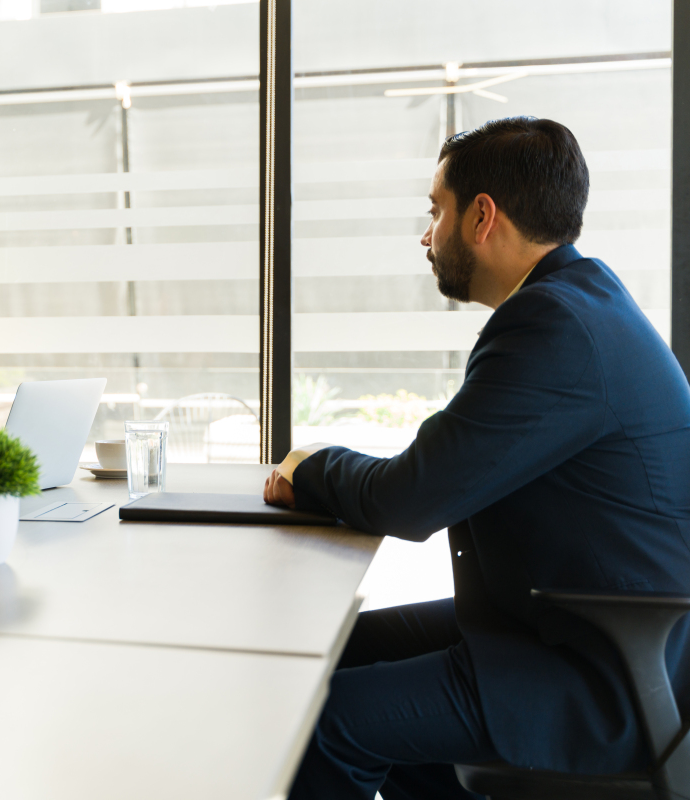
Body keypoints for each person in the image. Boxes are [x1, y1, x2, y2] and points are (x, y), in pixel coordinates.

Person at [264, 117, 690, 799]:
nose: (426, 235)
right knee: (339, 654)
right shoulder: (582, 302)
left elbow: (410, 498)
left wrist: (308, 467)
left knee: (320, 718)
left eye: (436, 211)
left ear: (482, 216)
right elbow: (444, 469)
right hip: (578, 629)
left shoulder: (554, 327)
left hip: (600, 674)